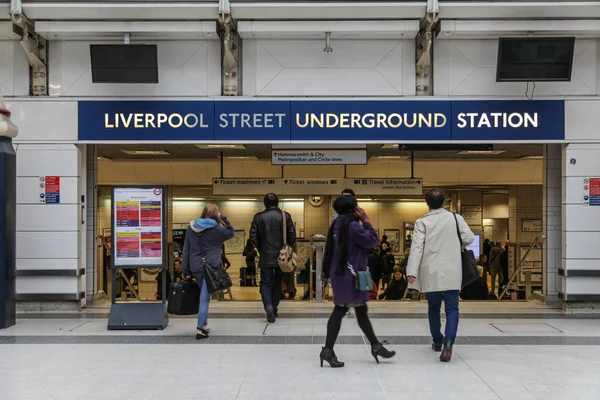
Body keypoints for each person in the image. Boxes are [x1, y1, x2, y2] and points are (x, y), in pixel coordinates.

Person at [320, 195, 395, 368]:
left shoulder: (337, 224)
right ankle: (328, 350)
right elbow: (372, 241)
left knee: (360, 309)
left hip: (341, 272)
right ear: (352, 209)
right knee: (341, 309)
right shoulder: (352, 226)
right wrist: (366, 221)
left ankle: (375, 346)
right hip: (350, 274)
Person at [406, 188, 474, 362]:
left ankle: (437, 340)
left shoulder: (422, 223)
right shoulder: (456, 218)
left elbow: (417, 248)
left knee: (433, 308)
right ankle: (449, 341)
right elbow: (469, 239)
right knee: (452, 309)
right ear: (444, 202)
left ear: (427, 203)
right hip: (453, 270)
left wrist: (411, 271)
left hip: (431, 271)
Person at [182, 203, 235, 340]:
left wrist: (185, 269)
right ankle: (200, 329)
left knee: (203, 295)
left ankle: (204, 325)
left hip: (196, 268)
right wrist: (222, 217)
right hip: (211, 268)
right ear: (215, 214)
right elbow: (231, 231)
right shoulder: (217, 229)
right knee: (205, 298)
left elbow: (186, 249)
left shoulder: (191, 228)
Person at [250, 193, 297, 323]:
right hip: (282, 256)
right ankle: (274, 307)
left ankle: (268, 306)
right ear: (277, 202)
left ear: (265, 203)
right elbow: (292, 236)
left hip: (265, 255)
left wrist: (261, 249)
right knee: (278, 281)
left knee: (265, 282)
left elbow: (253, 237)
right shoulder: (285, 216)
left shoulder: (258, 217)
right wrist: (287, 248)